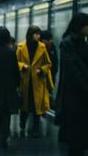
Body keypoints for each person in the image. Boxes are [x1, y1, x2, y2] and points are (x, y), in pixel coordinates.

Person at [55, 13, 88, 156]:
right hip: (74, 99)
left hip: (82, 97)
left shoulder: (83, 42)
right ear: (80, 26)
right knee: (76, 140)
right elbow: (73, 73)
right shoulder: (67, 44)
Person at [16, 25, 54, 138]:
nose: (38, 36)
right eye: (36, 34)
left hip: (37, 81)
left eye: (39, 34)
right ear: (30, 34)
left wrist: (41, 70)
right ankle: (22, 123)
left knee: (37, 108)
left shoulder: (42, 47)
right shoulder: (21, 47)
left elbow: (48, 64)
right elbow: (15, 62)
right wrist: (22, 66)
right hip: (25, 81)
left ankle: (36, 129)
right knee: (24, 106)